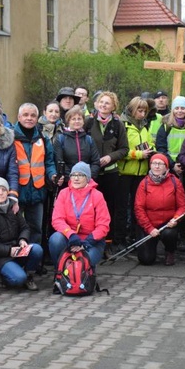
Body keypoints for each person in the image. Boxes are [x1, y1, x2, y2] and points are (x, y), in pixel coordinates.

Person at [0, 176, 43, 290]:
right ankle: (0, 275)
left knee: (37, 249)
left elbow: (25, 228)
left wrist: (23, 239)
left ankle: (29, 275)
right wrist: (8, 251)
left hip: (16, 249)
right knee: (18, 279)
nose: (1, 193)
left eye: (4, 190)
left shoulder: (13, 208)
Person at [85, 91, 129, 253]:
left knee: (109, 208)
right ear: (96, 104)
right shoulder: (88, 122)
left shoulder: (118, 125)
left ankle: (106, 242)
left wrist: (110, 157)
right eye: (101, 102)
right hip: (91, 173)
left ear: (113, 107)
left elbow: (124, 149)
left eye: (107, 103)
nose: (103, 105)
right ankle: (89, 239)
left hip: (110, 173)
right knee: (90, 208)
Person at [48, 162, 111, 268]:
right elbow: (57, 219)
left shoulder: (97, 195)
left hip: (91, 241)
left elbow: (103, 224)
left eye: (80, 175)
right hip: (70, 238)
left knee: (82, 265)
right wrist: (71, 234)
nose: (76, 178)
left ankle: (87, 270)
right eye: (73, 175)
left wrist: (88, 241)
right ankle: (59, 271)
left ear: (87, 178)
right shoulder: (64, 193)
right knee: (55, 239)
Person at [134, 154, 185, 266]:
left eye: (160, 164)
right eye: (154, 163)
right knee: (146, 260)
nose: (157, 166)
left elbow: (183, 206)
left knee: (170, 234)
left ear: (166, 167)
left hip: (167, 224)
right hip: (148, 224)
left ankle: (170, 251)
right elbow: (138, 208)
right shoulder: (143, 183)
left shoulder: (175, 182)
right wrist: (149, 228)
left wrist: (175, 219)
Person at [13, 103, 56, 245]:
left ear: (37, 118)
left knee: (36, 229)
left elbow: (49, 162)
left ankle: (34, 262)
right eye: (25, 115)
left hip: (38, 191)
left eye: (33, 115)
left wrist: (53, 175)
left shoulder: (43, 138)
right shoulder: (10, 138)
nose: (29, 118)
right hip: (16, 192)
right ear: (19, 117)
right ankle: (17, 261)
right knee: (15, 229)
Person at [118, 96, 156, 243]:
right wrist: (139, 154)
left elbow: (150, 143)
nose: (142, 114)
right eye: (139, 110)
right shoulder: (124, 125)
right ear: (132, 110)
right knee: (121, 208)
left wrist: (152, 150)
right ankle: (119, 239)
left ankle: (135, 236)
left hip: (141, 173)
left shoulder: (144, 126)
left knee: (138, 207)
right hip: (125, 172)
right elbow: (120, 151)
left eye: (144, 111)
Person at [54, 105, 101, 181]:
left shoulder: (89, 139)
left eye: (79, 119)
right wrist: (73, 178)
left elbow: (95, 161)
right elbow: (59, 161)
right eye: (73, 119)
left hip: (87, 181)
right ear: (68, 121)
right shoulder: (60, 139)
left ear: (83, 121)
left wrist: (88, 177)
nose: (77, 121)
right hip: (68, 181)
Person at [156, 96, 185, 177]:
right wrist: (172, 165)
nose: (179, 111)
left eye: (182, 108)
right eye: (176, 108)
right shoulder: (166, 126)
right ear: (173, 110)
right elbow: (161, 148)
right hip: (169, 165)